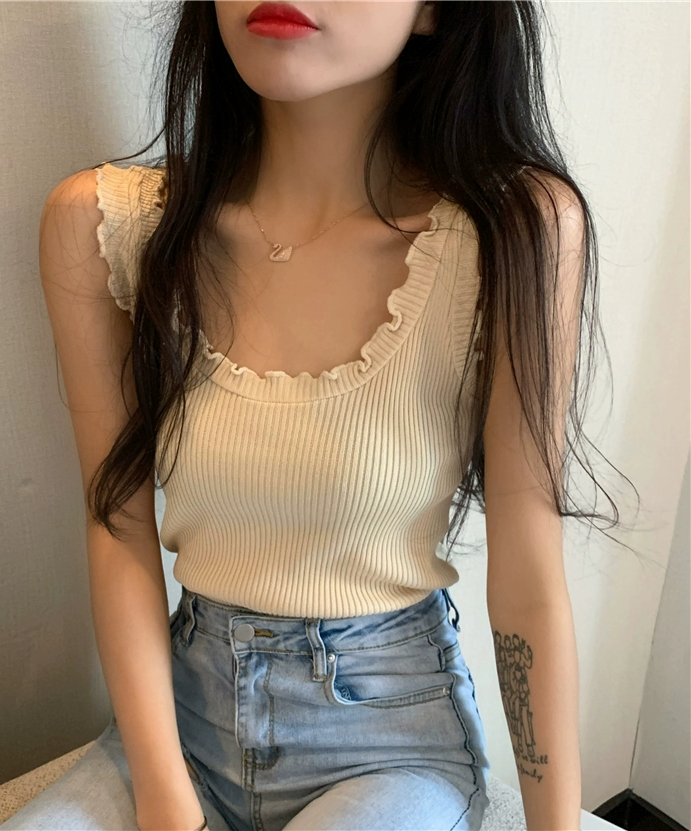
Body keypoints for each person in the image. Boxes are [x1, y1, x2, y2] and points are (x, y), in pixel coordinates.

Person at [37, 2, 633, 829]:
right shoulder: (110, 227)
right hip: (183, 716)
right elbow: (116, 526)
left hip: (389, 740)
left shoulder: (511, 232)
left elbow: (529, 578)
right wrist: (167, 802)